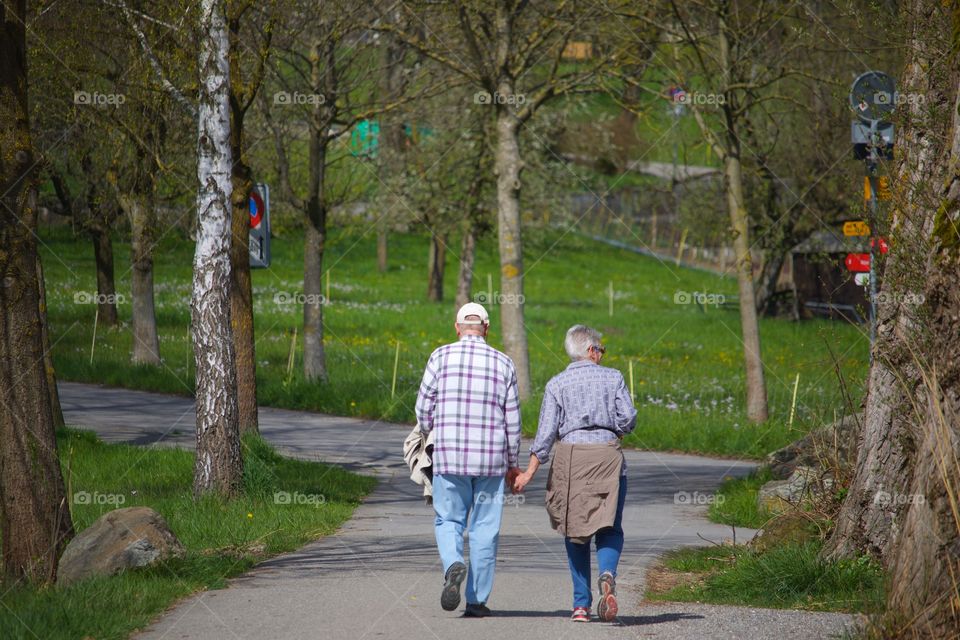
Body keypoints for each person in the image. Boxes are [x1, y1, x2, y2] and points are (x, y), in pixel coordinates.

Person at [513, 324, 637, 623]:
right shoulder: (614, 377)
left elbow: (545, 433)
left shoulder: (557, 383)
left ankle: (581, 605)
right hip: (608, 455)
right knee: (610, 526)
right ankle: (607, 574)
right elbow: (629, 418)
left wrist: (529, 472)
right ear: (591, 350)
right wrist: (617, 430)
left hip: (571, 459)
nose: (603, 356)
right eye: (601, 350)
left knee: (575, 531)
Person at [415, 302, 522, 618]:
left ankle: (453, 565)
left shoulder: (440, 356)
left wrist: (436, 428)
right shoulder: (504, 363)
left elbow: (422, 409)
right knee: (485, 528)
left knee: (448, 519)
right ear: (487, 328)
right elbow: (512, 421)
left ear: (457, 327)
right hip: (490, 462)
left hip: (450, 458)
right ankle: (476, 601)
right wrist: (512, 462)